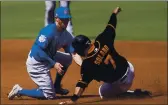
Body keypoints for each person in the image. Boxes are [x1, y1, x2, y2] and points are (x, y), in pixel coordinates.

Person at [58, 7, 135, 105]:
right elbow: (111, 26)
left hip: (122, 83)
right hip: (129, 68)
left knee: (103, 92)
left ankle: (130, 94)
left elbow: (81, 85)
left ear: (81, 50)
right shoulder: (102, 38)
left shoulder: (87, 65)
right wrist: (114, 14)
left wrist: (73, 100)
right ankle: (124, 90)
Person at [8, 7, 82, 100]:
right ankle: (19, 90)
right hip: (37, 63)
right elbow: (38, 52)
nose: (66, 21)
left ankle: (57, 86)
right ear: (57, 18)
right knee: (49, 95)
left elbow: (74, 53)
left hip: (50, 57)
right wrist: (54, 64)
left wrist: (83, 65)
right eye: (63, 19)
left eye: (67, 19)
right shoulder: (48, 32)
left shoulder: (66, 35)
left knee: (67, 59)